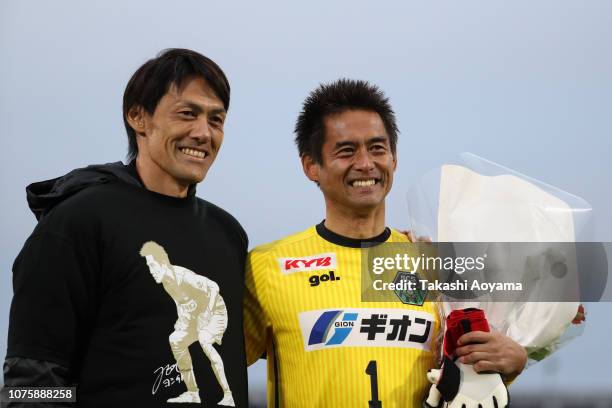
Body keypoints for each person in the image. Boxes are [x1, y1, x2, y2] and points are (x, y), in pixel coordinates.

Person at [242, 79, 527, 407]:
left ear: (394, 158)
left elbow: (468, 374)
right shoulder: (267, 267)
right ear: (311, 166)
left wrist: (514, 359)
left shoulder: (434, 264)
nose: (365, 163)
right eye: (346, 150)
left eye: (377, 148)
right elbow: (215, 372)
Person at [4, 48, 248, 407]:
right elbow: (30, 383)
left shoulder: (227, 233)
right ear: (138, 117)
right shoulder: (78, 221)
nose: (203, 132)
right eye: (187, 114)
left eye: (216, 120)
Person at [140, 241, 234, 405]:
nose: (151, 271)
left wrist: (207, 313)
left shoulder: (183, 277)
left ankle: (228, 395)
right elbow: (181, 302)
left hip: (215, 312)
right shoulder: (166, 282)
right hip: (195, 317)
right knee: (175, 340)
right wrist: (182, 320)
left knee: (204, 339)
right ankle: (193, 393)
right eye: (148, 266)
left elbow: (213, 286)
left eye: (153, 265)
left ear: (163, 263)